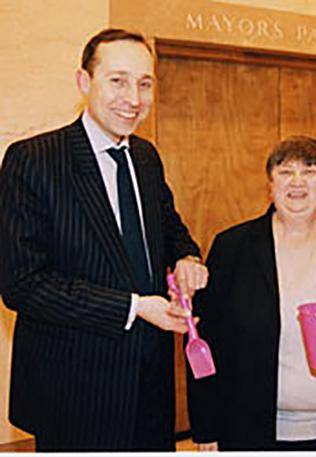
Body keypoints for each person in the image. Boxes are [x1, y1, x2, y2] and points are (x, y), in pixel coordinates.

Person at [0, 28, 209, 451]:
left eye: (144, 83)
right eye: (118, 80)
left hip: (150, 386)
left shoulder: (147, 158)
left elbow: (170, 228)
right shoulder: (33, 160)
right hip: (75, 389)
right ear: (84, 82)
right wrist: (134, 307)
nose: (133, 98)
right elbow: (22, 284)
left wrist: (187, 256)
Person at [187, 136, 316, 451]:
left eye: (310, 171)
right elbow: (203, 340)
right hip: (253, 429)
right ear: (270, 186)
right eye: (285, 172)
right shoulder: (233, 247)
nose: (297, 182)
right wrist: (206, 426)